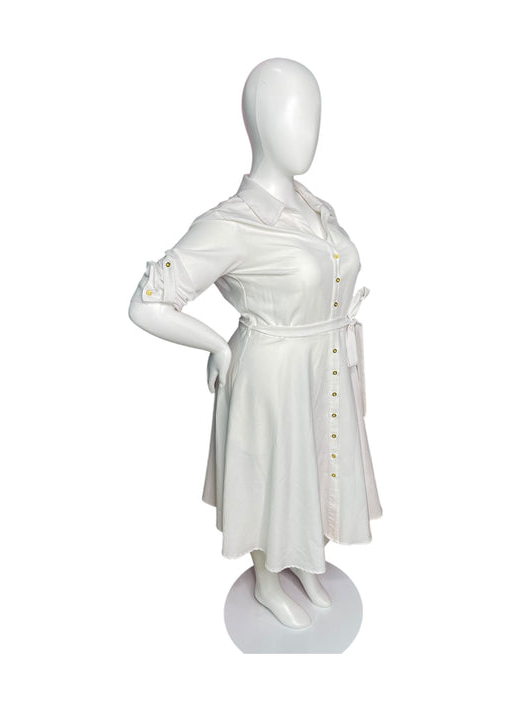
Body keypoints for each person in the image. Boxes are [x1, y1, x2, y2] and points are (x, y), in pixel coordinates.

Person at [129, 57, 382, 629]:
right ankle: (268, 581)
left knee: (317, 463)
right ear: (260, 123)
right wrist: (217, 346)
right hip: (273, 373)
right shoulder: (231, 223)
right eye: (294, 113)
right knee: (273, 474)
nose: (309, 130)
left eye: (315, 114)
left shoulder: (316, 207)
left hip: (326, 364)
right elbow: (147, 303)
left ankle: (306, 561)